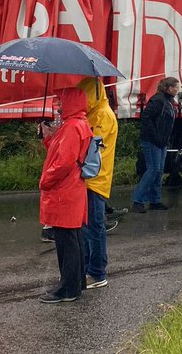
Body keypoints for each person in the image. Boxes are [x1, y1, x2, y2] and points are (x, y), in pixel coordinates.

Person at [37, 88, 93, 303]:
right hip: (72, 188)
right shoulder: (78, 124)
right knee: (73, 237)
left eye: (62, 102)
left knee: (66, 240)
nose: (58, 107)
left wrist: (45, 180)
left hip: (64, 190)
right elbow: (62, 153)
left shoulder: (71, 127)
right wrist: (49, 137)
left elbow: (63, 162)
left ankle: (67, 288)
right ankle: (77, 282)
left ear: (71, 103)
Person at [78, 77, 117, 291]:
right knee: (87, 228)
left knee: (94, 227)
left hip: (96, 178)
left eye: (83, 95)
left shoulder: (103, 115)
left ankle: (97, 272)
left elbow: (93, 147)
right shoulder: (94, 113)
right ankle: (88, 269)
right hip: (89, 178)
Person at [131, 77, 178, 213]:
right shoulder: (158, 100)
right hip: (153, 141)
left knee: (159, 170)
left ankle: (155, 200)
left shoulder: (166, 101)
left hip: (161, 141)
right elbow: (146, 117)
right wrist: (156, 136)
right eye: (175, 87)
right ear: (169, 88)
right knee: (153, 169)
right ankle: (137, 199)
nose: (177, 89)